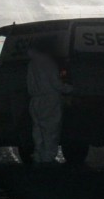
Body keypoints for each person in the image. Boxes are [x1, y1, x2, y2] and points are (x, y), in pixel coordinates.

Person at [27, 36, 73, 164]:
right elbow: (56, 84)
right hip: (50, 101)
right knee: (51, 132)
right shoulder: (48, 62)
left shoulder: (32, 63)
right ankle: (48, 159)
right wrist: (71, 89)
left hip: (35, 101)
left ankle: (38, 156)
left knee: (38, 130)